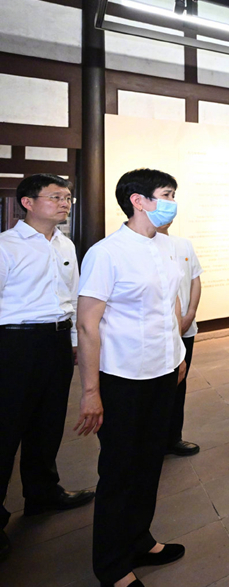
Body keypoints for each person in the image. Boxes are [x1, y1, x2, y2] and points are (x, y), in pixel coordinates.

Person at [75, 169, 189, 587]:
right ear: (138, 200)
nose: (172, 202)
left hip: (163, 371)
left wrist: (177, 356)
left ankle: (139, 539)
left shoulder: (167, 246)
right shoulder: (107, 252)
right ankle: (111, 566)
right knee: (120, 471)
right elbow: (87, 324)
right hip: (122, 377)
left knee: (149, 464)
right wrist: (91, 391)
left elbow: (169, 306)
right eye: (166, 194)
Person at [0, 174, 94, 562]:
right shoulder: (6, 246)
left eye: (67, 198)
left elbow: (71, 297)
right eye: (55, 197)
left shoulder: (65, 244)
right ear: (27, 202)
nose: (64, 203)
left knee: (48, 421)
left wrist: (73, 341)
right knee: (6, 429)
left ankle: (42, 493)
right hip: (15, 343)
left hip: (56, 342)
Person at [156, 222, 202, 457]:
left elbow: (195, 280)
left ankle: (173, 438)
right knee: (156, 388)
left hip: (185, 328)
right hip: (159, 332)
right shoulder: (144, 246)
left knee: (179, 382)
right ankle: (153, 442)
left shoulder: (183, 244)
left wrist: (190, 313)